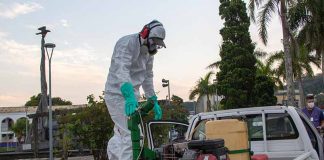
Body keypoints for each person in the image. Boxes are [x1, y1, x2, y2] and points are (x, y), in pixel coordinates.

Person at [104, 20, 165, 160]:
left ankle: (113, 156)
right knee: (132, 134)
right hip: (117, 94)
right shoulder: (126, 43)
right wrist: (129, 96)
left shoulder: (149, 54)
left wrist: (153, 100)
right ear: (145, 34)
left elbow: (148, 77)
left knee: (120, 134)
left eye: (158, 44)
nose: (155, 46)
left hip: (132, 97)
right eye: (154, 42)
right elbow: (121, 70)